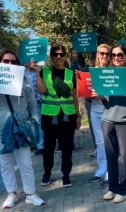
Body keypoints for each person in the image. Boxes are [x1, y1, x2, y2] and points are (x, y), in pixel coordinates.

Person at [92, 44, 126, 203]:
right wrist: (98, 97)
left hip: (125, 122)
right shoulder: (108, 74)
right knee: (111, 156)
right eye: (113, 56)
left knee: (125, 158)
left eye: (120, 55)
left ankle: (123, 189)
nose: (116, 58)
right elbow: (106, 101)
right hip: (108, 121)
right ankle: (112, 188)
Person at [0, 49, 45, 208]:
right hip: (2, 129)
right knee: (5, 163)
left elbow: (33, 104)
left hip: (21, 128)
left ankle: (30, 194)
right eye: (6, 61)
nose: (10, 64)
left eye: (13, 62)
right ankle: (11, 193)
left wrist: (34, 121)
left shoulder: (25, 82)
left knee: (25, 163)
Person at [36, 44, 82, 188]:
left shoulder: (70, 73)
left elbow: (75, 95)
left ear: (65, 56)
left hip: (67, 115)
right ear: (51, 56)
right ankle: (47, 172)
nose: (59, 57)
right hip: (49, 115)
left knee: (67, 147)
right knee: (49, 147)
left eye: (61, 54)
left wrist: (78, 115)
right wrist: (37, 74)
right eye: (55, 54)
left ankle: (66, 174)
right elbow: (42, 91)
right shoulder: (44, 72)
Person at [88, 44, 110, 186]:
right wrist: (90, 95)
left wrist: (103, 97)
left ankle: (110, 173)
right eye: (102, 53)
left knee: (109, 142)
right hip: (95, 111)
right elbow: (86, 92)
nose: (104, 56)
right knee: (99, 142)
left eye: (107, 54)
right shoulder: (91, 72)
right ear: (97, 54)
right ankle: (101, 171)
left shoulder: (113, 72)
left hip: (109, 111)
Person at [24, 60, 44, 155]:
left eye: (35, 62)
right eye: (32, 62)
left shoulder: (39, 72)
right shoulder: (23, 72)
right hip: (24, 103)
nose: (34, 63)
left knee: (38, 123)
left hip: (37, 102)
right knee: (27, 123)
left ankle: (41, 145)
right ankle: (32, 144)